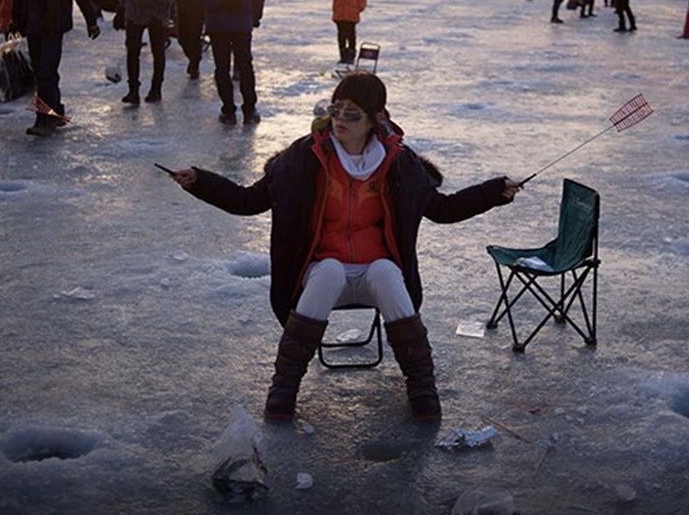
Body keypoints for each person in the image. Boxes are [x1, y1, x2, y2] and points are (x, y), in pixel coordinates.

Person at [166, 71, 521, 421]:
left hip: (375, 273)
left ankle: (421, 385)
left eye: (352, 113)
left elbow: (443, 209)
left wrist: (493, 192)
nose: (340, 119)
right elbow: (249, 201)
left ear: (376, 118)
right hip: (322, 271)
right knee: (330, 271)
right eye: (335, 109)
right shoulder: (304, 158)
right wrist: (200, 181)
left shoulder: (399, 163)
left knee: (385, 270)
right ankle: (284, 386)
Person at [12, 0, 101, 137]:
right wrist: (15, 19)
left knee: (46, 73)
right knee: (44, 73)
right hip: (31, 23)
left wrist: (91, 19)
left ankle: (45, 120)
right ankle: (57, 111)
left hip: (53, 23)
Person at [189, 0, 265, 125]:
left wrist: (213, 4)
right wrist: (255, 16)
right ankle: (249, 110)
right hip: (242, 23)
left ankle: (228, 110)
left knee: (221, 68)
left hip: (217, 23)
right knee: (245, 65)